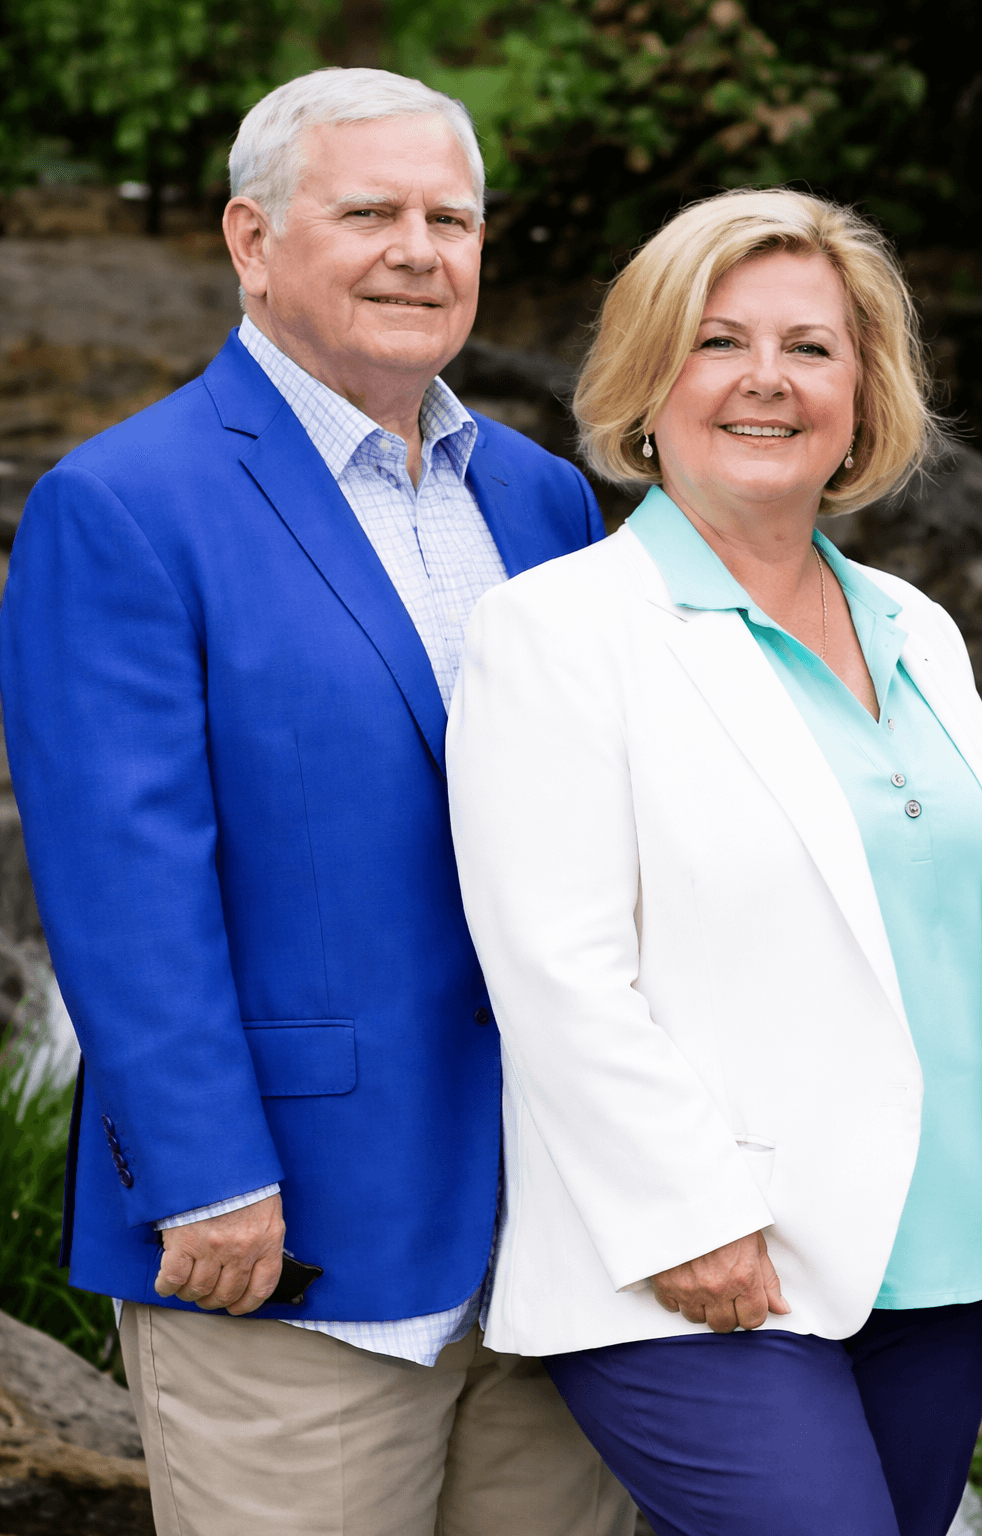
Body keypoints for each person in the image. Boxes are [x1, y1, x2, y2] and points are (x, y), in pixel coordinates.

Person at [0, 67, 635, 1536]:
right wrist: (207, 1177)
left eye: (452, 217)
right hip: (292, 1244)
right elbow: (122, 878)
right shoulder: (126, 503)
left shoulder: (544, 500)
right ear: (252, 239)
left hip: (560, 1230)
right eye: (370, 212)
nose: (421, 248)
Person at [446, 186, 982, 1536]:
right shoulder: (561, 631)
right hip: (704, 1268)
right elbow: (555, 967)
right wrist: (690, 1221)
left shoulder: (916, 627)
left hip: (946, 1253)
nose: (767, 379)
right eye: (718, 341)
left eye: (812, 348)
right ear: (651, 381)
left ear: (864, 393)